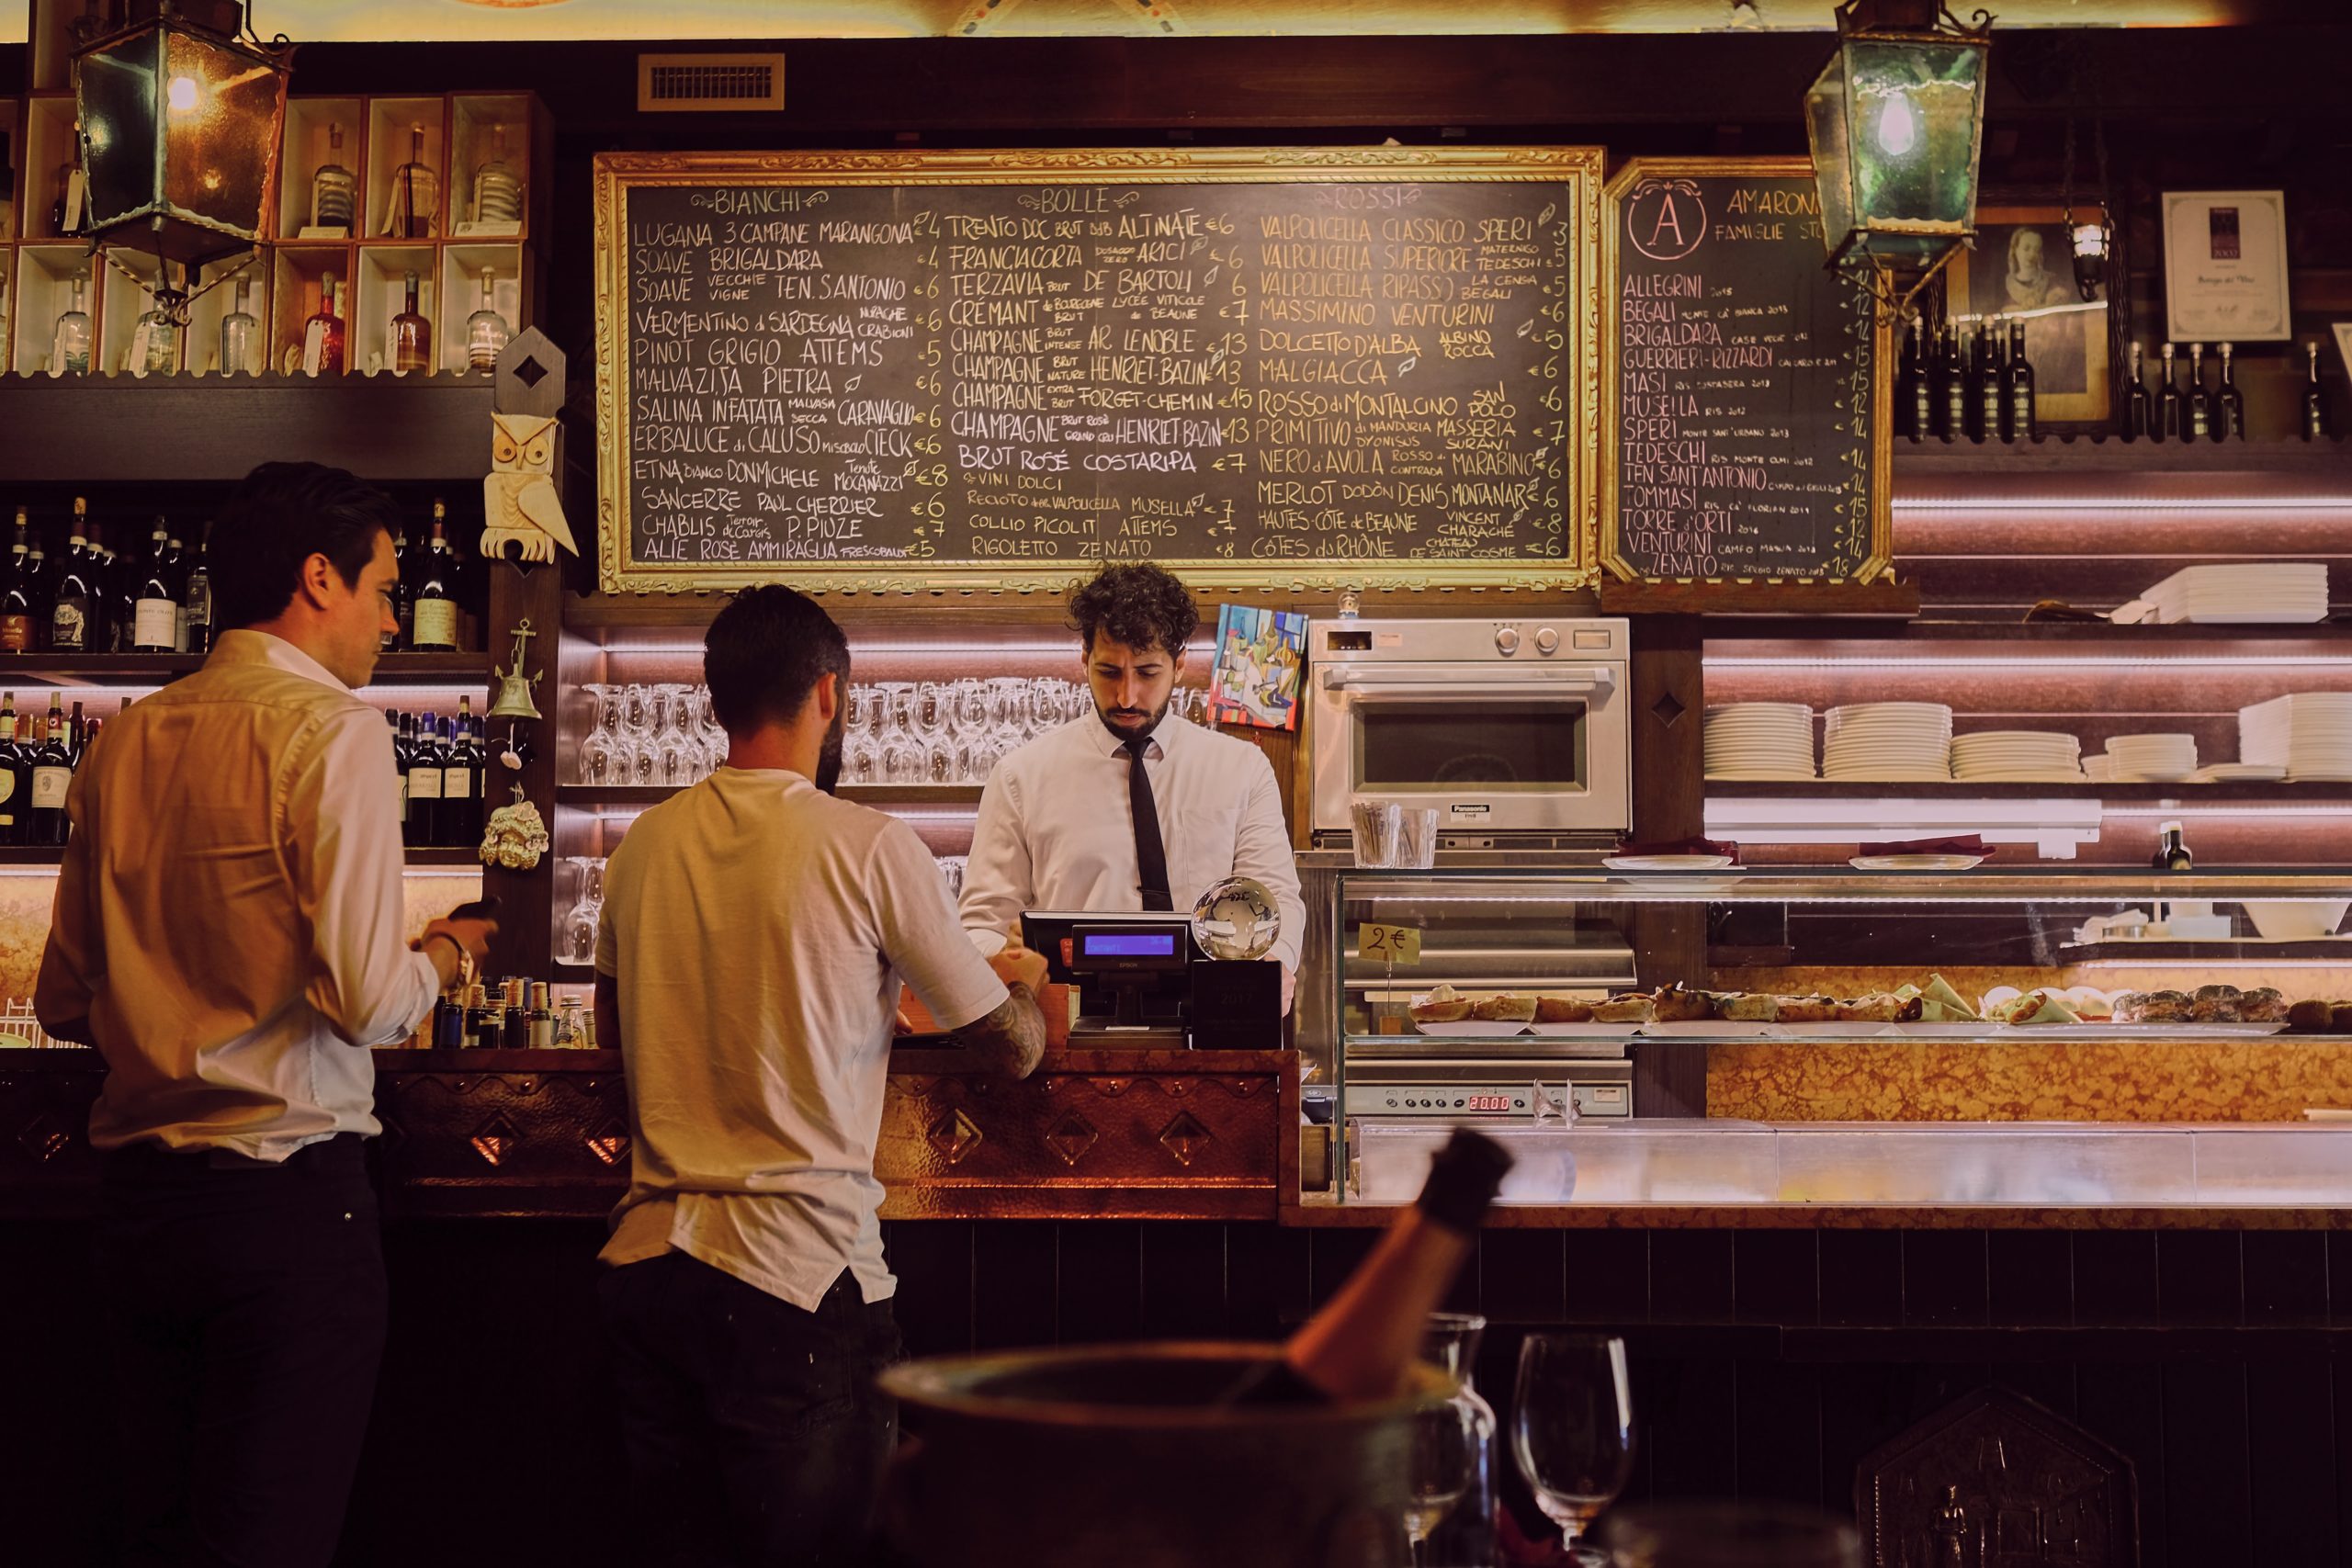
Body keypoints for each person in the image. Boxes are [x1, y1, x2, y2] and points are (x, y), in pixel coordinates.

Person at [34, 461, 497, 1568]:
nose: (395, 618)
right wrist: (443, 955)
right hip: (283, 1213)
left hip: (137, 1212)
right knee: (268, 1540)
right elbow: (366, 1004)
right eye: (386, 590)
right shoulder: (334, 734)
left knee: (160, 1529)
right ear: (317, 578)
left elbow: (60, 1001)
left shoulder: (121, 741)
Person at [593, 584, 1049, 1567]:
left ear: (713, 703)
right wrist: (1034, 993)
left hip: (647, 1271)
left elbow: (612, 1038)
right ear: (830, 695)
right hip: (794, 1279)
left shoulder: (639, 850)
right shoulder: (868, 845)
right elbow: (1004, 1048)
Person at [959, 562, 1306, 1008]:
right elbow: (983, 925)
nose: (1126, 697)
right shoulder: (1020, 777)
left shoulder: (1242, 769)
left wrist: (1275, 964)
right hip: (1065, 1033)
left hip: (1212, 1025)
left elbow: (1277, 901)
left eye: (1147, 673)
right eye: (1108, 672)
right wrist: (1007, 963)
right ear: (1083, 658)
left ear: (1180, 664)